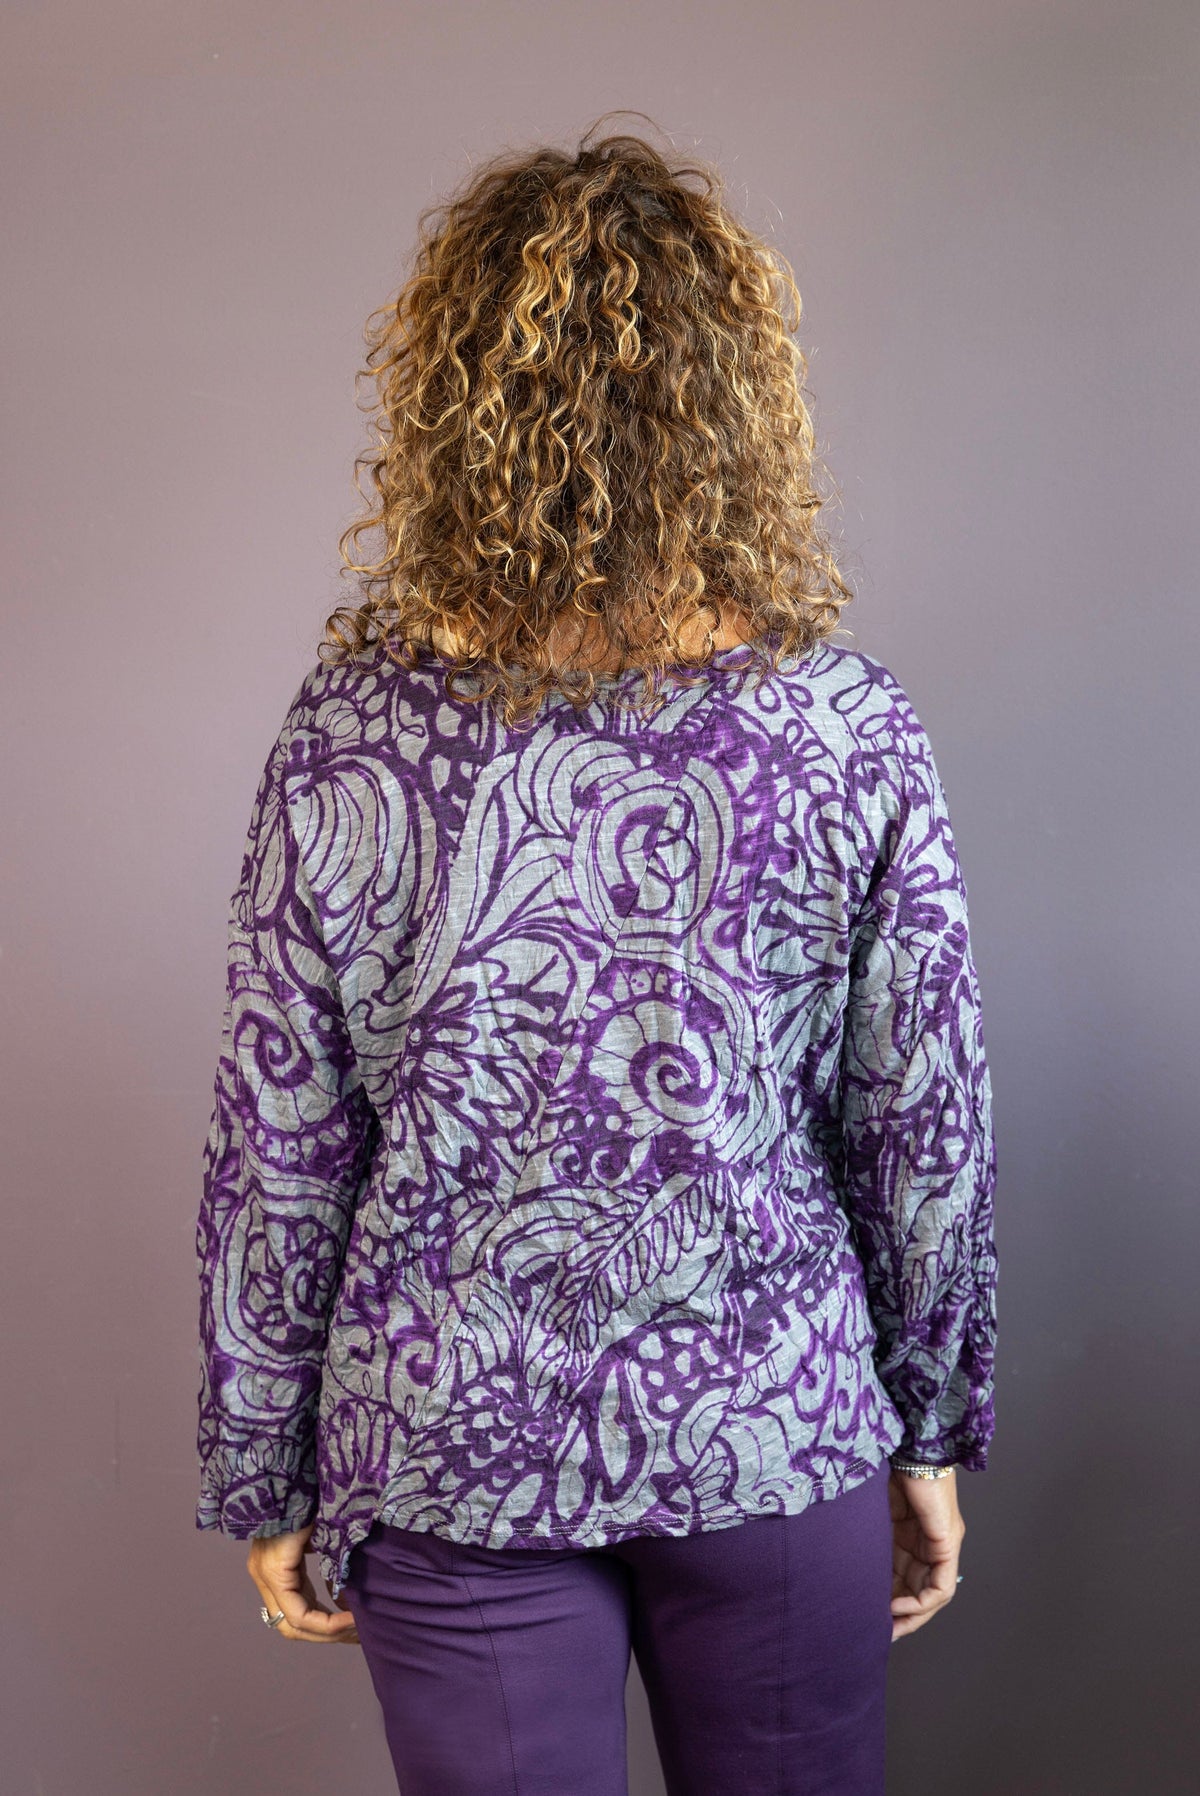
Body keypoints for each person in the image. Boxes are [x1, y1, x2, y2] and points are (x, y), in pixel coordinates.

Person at [195, 114, 998, 1796]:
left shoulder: (351, 736)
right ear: (732, 408)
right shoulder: (845, 729)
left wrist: (266, 1465)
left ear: (448, 413)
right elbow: (922, 1121)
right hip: (773, 1421)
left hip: (449, 1438)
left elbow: (282, 1128)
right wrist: (925, 1427)